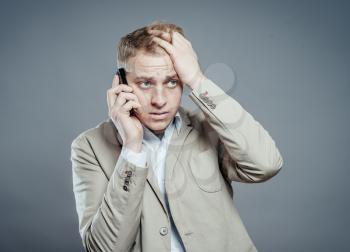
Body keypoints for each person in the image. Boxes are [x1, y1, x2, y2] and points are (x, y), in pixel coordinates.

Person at [70, 20, 283, 252]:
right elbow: (103, 249)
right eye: (145, 83)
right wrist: (131, 148)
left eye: (172, 82)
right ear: (121, 83)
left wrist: (197, 79)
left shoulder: (210, 128)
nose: (160, 100)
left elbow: (266, 165)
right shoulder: (89, 147)